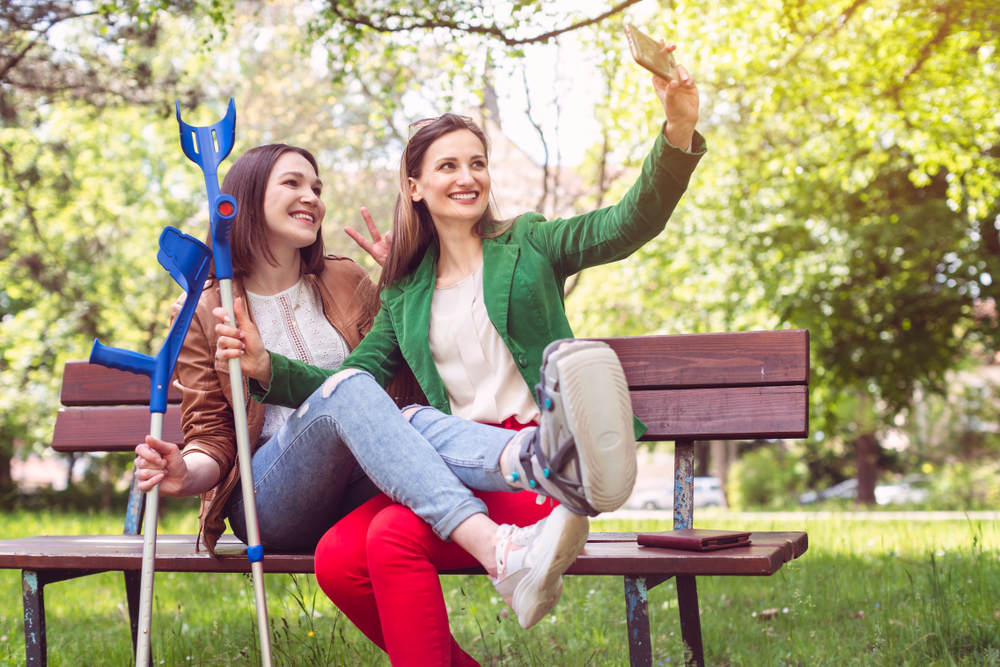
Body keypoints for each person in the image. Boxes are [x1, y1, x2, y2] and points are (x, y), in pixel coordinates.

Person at [216, 40, 704, 665]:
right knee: (337, 560)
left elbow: (628, 222)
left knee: (391, 537)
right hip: (458, 464)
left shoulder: (529, 243)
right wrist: (266, 370)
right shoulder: (404, 293)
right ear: (415, 185)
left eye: (476, 164)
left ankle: (539, 480)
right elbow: (348, 384)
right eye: (447, 166)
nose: (466, 177)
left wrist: (678, 127)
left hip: (537, 462)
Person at [133, 142, 411, 554]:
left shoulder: (346, 278)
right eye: (293, 183)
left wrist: (406, 284)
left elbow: (399, 372)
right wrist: (185, 473)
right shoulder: (204, 309)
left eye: (317, 189)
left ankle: (514, 485)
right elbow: (211, 434)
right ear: (246, 198)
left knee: (414, 419)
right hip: (268, 500)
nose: (311, 198)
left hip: (360, 482)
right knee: (345, 391)